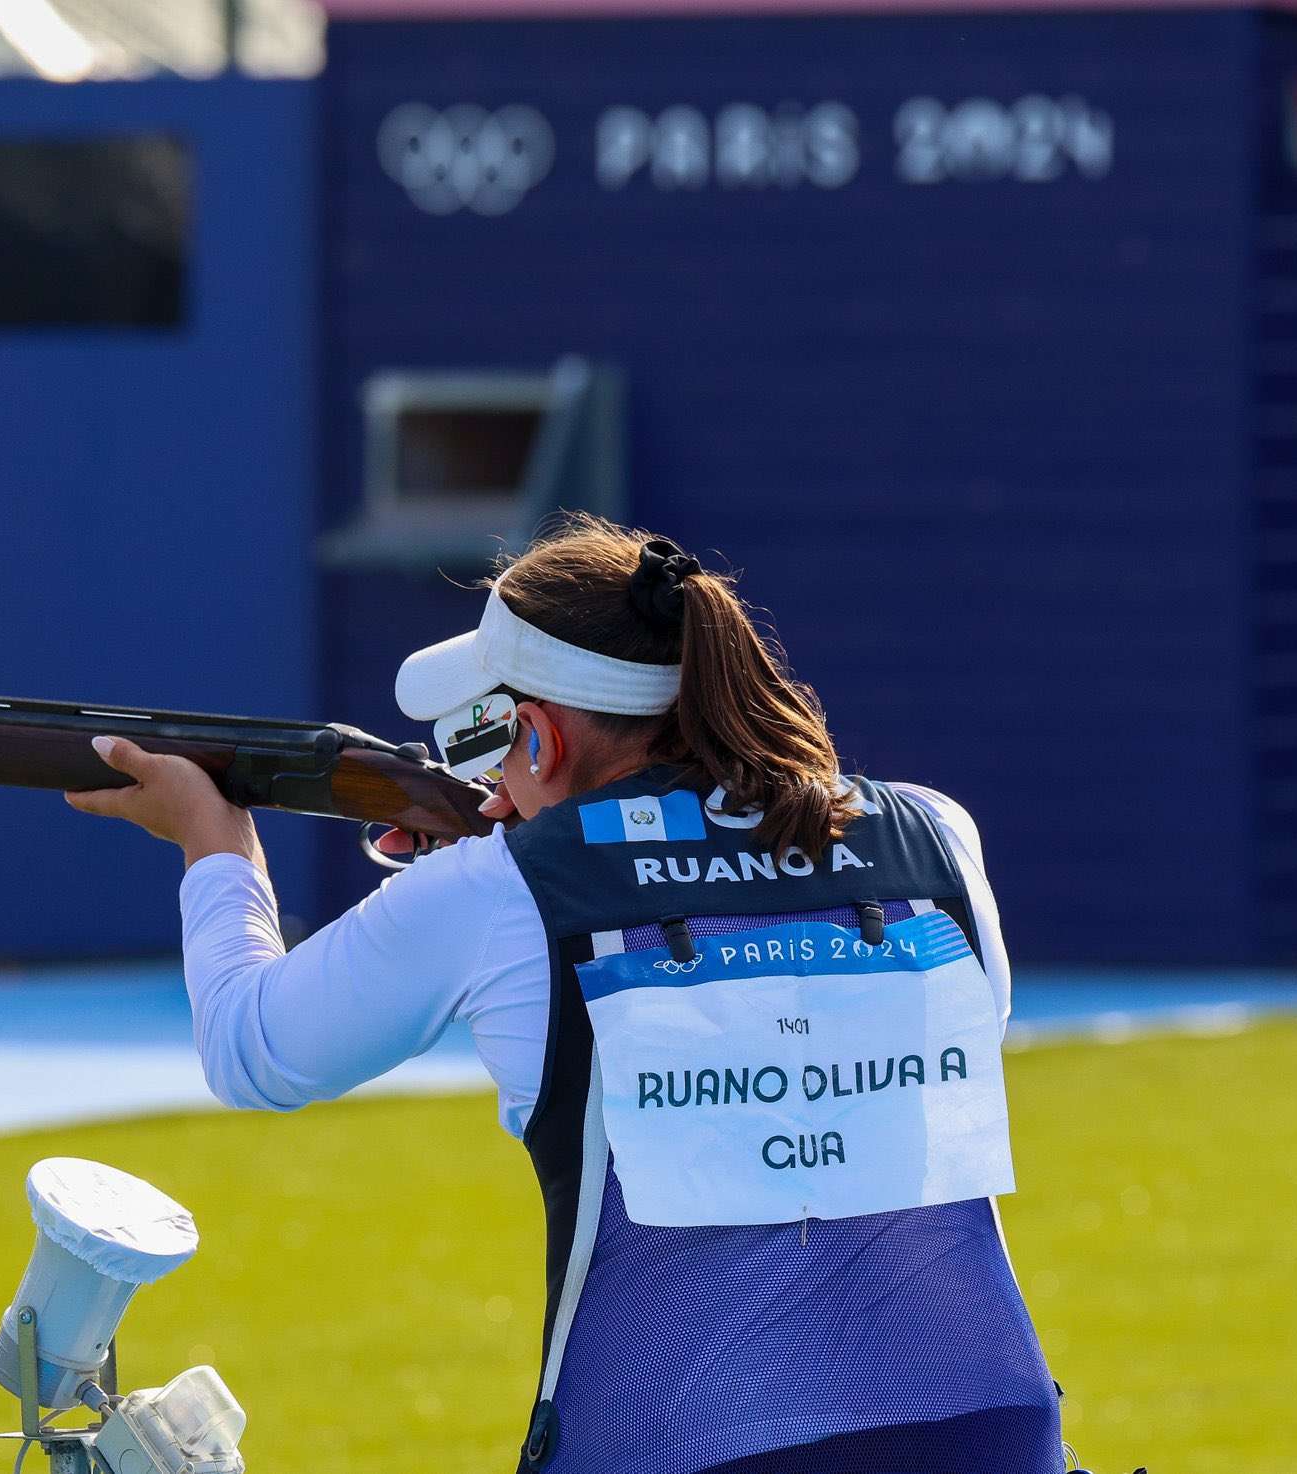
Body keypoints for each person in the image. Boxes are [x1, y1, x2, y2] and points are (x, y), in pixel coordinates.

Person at [65, 515, 1064, 1473]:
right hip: (989, 1431)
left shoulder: (503, 888)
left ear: (535, 736)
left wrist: (216, 846)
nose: (487, 773)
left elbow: (249, 1049)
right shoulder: (933, 833)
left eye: (487, 739)